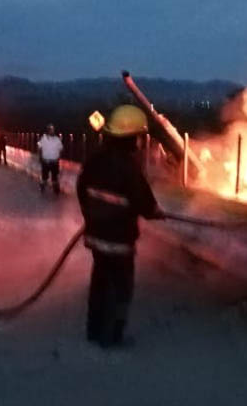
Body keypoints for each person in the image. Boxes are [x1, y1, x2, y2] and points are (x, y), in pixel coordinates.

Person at [76, 105, 163, 348]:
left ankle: (93, 331)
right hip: (120, 241)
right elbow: (144, 203)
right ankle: (114, 336)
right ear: (129, 137)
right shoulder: (129, 167)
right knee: (122, 287)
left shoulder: (94, 160)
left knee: (99, 284)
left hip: (96, 237)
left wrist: (91, 216)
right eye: (137, 136)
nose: (139, 141)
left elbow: (81, 189)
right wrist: (154, 212)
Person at [37, 124, 64, 194]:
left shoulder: (57, 139)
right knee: (44, 177)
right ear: (48, 130)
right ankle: (42, 186)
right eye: (51, 129)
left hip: (54, 162)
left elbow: (61, 149)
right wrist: (40, 157)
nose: (52, 131)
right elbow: (39, 148)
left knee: (55, 177)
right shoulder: (43, 138)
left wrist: (58, 157)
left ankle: (56, 189)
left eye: (53, 129)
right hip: (45, 162)